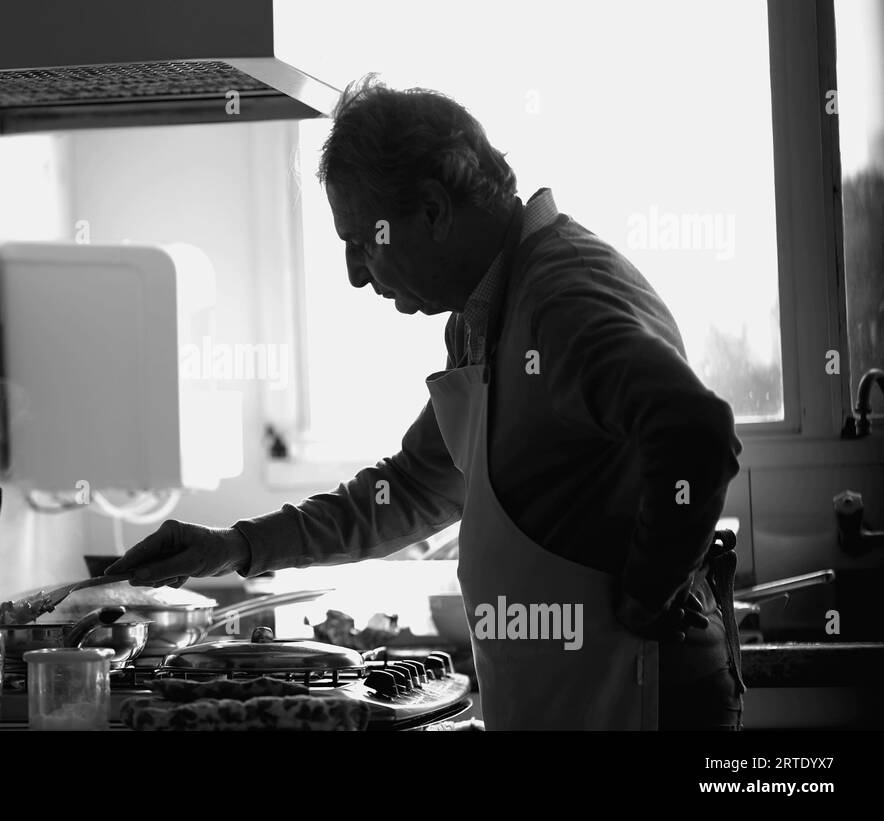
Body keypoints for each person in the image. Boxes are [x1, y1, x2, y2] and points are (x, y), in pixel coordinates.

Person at [106, 76, 745, 730]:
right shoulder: (481, 313)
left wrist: (644, 595)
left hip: (640, 696)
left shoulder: (562, 299)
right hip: (573, 695)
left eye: (362, 241)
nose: (356, 273)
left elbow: (694, 432)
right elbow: (412, 489)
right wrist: (231, 546)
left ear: (435, 211)